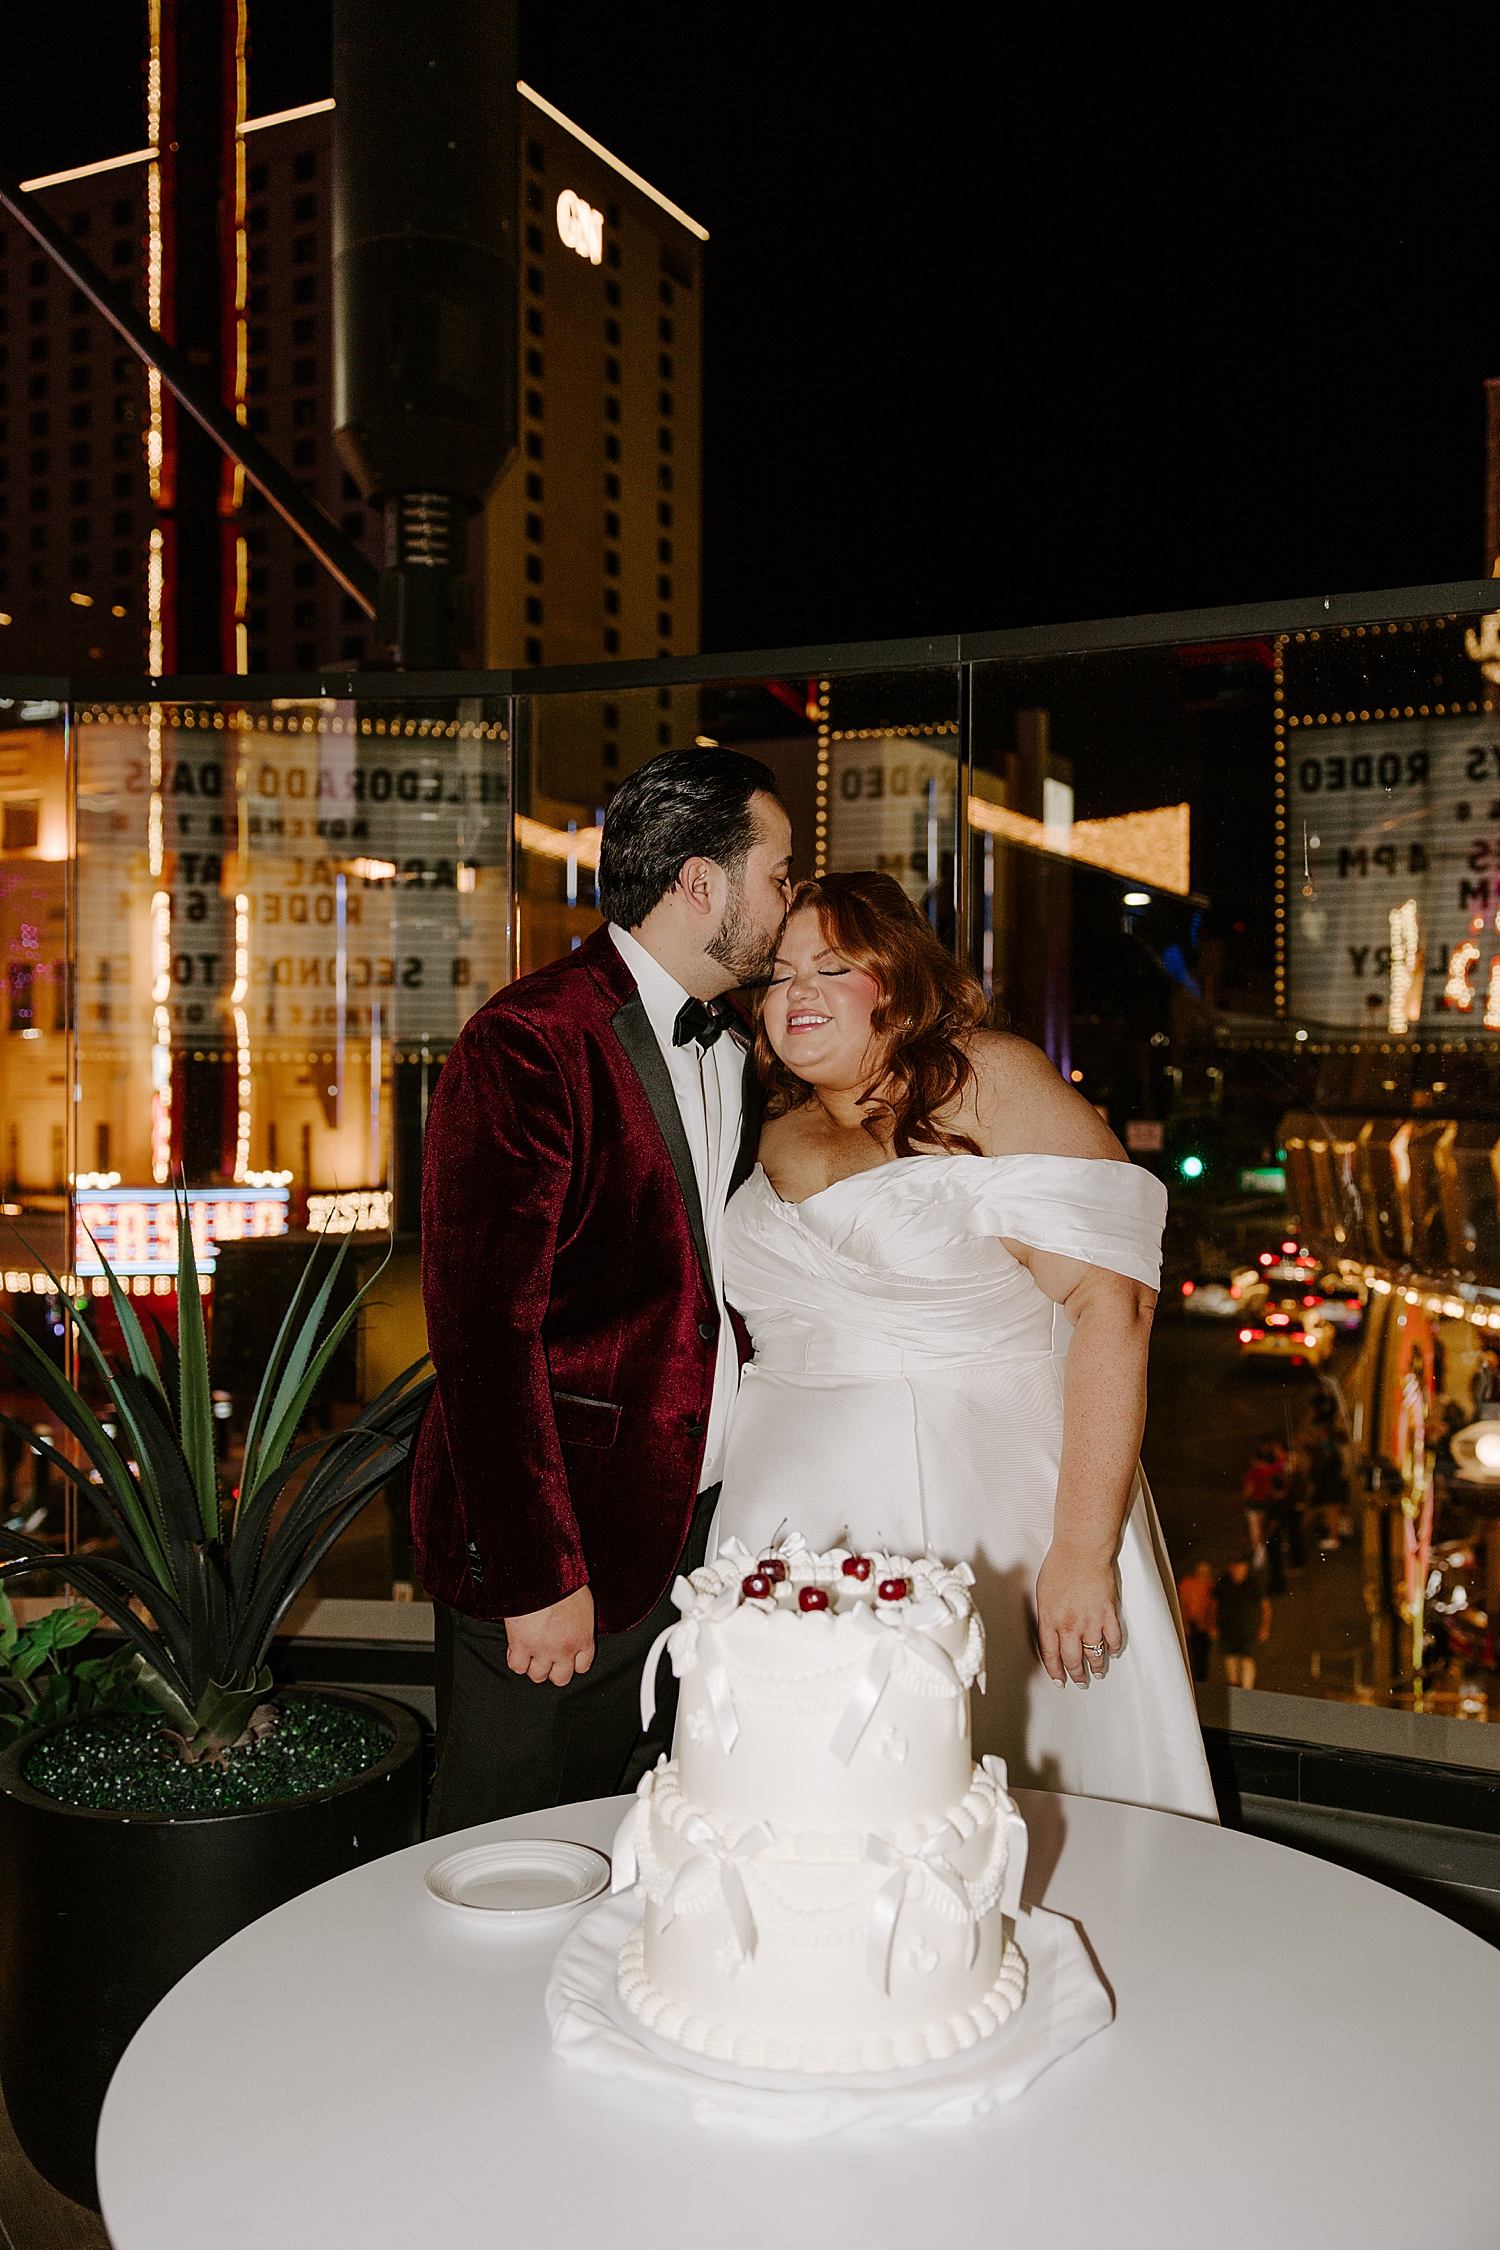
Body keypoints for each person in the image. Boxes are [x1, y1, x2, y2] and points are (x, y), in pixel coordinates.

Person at [714, 871, 1218, 1820]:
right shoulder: (770, 1125)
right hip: (781, 1512)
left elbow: (1114, 1310)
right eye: (778, 977)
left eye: (832, 966)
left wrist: (1080, 1551)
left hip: (984, 1517)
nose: (797, 994)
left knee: (991, 1808)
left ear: (897, 981)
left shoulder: (987, 1081)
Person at [411, 749, 794, 1831]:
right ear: (700, 884)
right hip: (558, 1551)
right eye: (778, 872)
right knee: (509, 1856)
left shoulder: (738, 1049)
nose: (789, 900)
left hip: (699, 1544)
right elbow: (483, 1335)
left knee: (640, 1855)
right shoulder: (529, 1042)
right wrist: (538, 1576)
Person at [1214, 1555, 1271, 1688]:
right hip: (1227, 1627)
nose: (1236, 1570)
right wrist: (1213, 1623)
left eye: (1239, 1567)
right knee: (1230, 1657)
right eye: (1233, 1567)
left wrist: (1264, 1627)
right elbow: (1214, 1604)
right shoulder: (1224, 1581)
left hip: (1247, 1629)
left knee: (1246, 1659)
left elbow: (1266, 1607)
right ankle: (1233, 1685)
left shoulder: (1253, 1584)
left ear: (1245, 1568)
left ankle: (1247, 1690)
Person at [1178, 1560, 1217, 1684]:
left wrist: (1212, 1625)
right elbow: (1183, 1603)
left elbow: (1214, 1606)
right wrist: (1185, 1623)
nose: (1203, 1574)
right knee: (1192, 1653)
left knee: (1203, 1653)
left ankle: (1201, 1680)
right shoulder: (1187, 1584)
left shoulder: (1212, 1585)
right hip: (1191, 1622)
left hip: (1204, 1624)